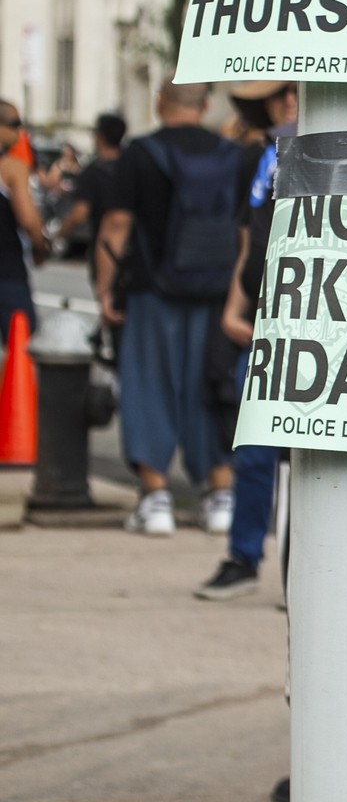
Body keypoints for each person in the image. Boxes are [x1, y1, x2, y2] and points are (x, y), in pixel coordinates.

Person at [96, 81, 255, 538]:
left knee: (149, 386)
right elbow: (244, 229)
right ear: (204, 106)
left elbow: (117, 223)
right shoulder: (232, 155)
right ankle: (219, 494)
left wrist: (106, 290)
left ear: (158, 103)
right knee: (210, 385)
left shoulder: (140, 153)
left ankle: (156, 498)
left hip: (153, 290)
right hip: (217, 290)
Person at [196, 82, 298, 600]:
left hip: (303, 328)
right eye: (279, 94)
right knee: (255, 451)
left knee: (305, 461)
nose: (286, 101)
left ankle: (300, 572)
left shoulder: (317, 153)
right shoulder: (266, 156)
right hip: (262, 326)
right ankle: (245, 556)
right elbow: (250, 243)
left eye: (293, 92)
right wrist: (234, 309)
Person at [0, 101, 51, 336]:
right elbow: (28, 220)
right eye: (15, 123)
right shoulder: (12, 168)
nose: (20, 131)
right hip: (6, 269)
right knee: (20, 336)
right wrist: (40, 249)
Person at [61, 112, 125, 278]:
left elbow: (79, 213)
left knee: (106, 291)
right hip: (133, 248)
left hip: (104, 246)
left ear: (99, 137)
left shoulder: (93, 172)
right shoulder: (131, 167)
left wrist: (59, 234)